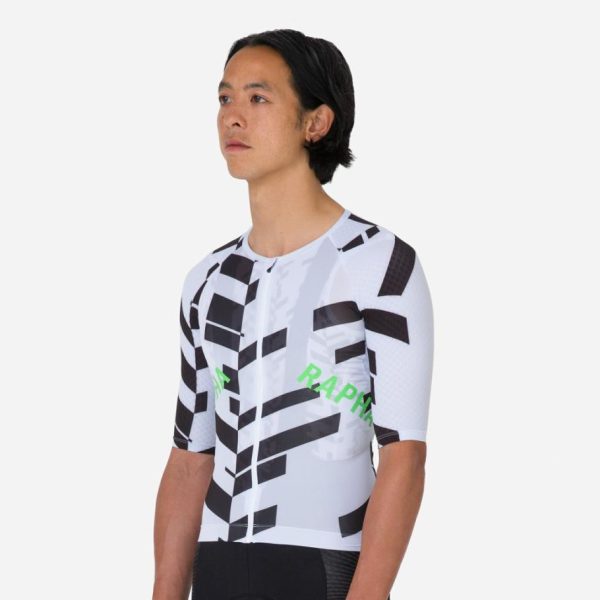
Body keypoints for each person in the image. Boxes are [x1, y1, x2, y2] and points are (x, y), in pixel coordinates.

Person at [153, 28, 434, 600]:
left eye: (258, 98)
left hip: (323, 563)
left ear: (316, 122)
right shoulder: (207, 281)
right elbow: (189, 458)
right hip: (217, 561)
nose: (233, 116)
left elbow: (403, 454)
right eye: (225, 97)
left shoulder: (378, 263)